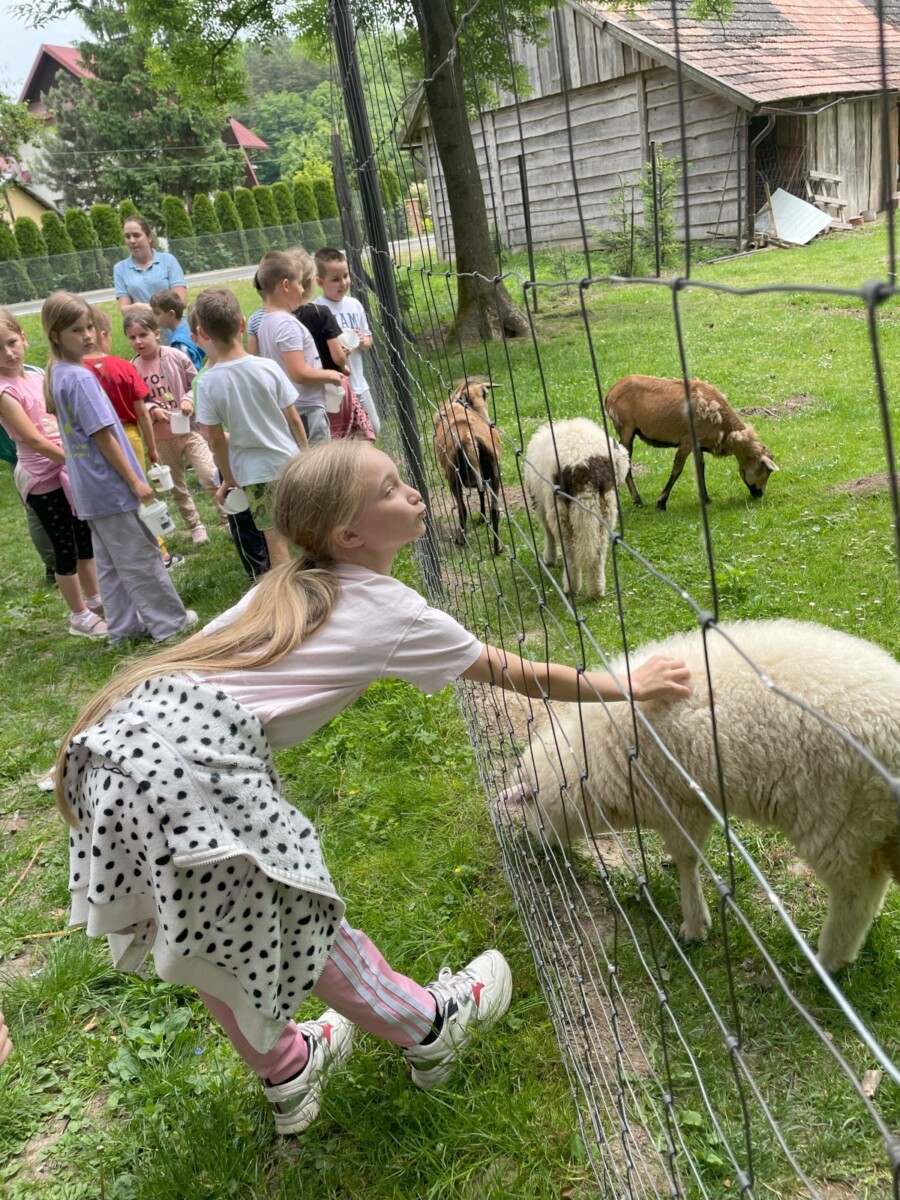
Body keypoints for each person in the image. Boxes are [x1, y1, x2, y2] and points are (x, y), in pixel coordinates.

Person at [54, 437, 691, 1137]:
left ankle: (286, 1066)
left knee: (202, 927)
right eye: (389, 488)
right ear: (349, 535)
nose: (412, 491)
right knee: (297, 908)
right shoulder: (391, 611)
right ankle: (429, 1025)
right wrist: (624, 684)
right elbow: (515, 672)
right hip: (186, 774)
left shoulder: (282, 586)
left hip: (114, 754)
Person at [40, 291, 195, 645]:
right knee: (141, 555)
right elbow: (103, 436)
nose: (88, 336)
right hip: (110, 485)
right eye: (76, 330)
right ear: (55, 336)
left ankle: (123, 629)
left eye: (89, 327)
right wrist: (133, 480)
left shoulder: (60, 372)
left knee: (109, 563)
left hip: (90, 489)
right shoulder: (79, 378)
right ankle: (169, 623)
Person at [0, 307, 107, 638]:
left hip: (66, 467)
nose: (8, 353)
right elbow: (33, 438)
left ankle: (96, 599)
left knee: (83, 537)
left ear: (24, 339)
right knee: (65, 548)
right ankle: (79, 616)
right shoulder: (3, 391)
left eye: (11, 342)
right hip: (42, 478)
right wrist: (75, 461)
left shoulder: (36, 376)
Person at [192, 286, 307, 569]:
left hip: (254, 475)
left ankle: (287, 592)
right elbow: (294, 419)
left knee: (275, 541)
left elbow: (216, 440)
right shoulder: (268, 367)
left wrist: (228, 478)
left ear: (203, 333)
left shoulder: (207, 382)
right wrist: (307, 455)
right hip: (290, 464)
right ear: (243, 324)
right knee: (306, 531)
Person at [84, 307, 181, 572]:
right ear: (104, 334)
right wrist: (152, 447)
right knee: (140, 494)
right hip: (129, 436)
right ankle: (159, 552)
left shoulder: (78, 371)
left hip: (95, 441)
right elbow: (142, 413)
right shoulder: (123, 366)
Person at [124, 304, 218, 546]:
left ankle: (227, 517)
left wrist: (188, 399)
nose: (138, 341)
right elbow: (137, 400)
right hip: (161, 437)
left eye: (143, 335)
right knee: (176, 486)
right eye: (132, 337)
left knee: (209, 474)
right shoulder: (132, 368)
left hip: (189, 430)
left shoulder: (176, 356)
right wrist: (151, 409)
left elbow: (196, 382)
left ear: (157, 333)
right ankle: (195, 525)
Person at [257, 250, 344, 446]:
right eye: (299, 284)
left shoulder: (266, 321)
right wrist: (330, 375)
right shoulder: (287, 324)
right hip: (307, 410)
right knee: (318, 463)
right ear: (286, 285)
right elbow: (298, 372)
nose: (303, 290)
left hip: (292, 408)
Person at [315, 247, 380, 435]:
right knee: (343, 434)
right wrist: (334, 352)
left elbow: (368, 340)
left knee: (373, 428)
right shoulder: (317, 309)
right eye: (335, 279)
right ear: (320, 281)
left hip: (359, 383)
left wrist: (362, 340)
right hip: (334, 387)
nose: (343, 283)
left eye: (345, 276)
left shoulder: (355, 305)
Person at [114, 216, 187, 312]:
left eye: (136, 235)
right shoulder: (120, 268)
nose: (132, 241)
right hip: (142, 321)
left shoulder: (169, 261)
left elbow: (181, 302)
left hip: (172, 321)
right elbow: (124, 309)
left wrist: (154, 311)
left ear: (149, 237)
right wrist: (137, 307)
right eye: (127, 236)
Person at [150, 288, 206, 370]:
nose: (154, 317)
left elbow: (186, 369)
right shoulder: (187, 330)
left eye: (157, 314)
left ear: (171, 314)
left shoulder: (178, 343)